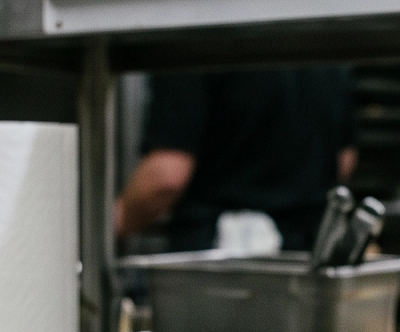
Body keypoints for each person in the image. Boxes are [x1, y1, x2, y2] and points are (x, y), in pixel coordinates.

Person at [115, 67, 357, 252]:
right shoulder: (321, 48)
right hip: (305, 258)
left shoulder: (192, 43)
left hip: (218, 267)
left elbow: (166, 177)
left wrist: (115, 223)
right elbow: (344, 160)